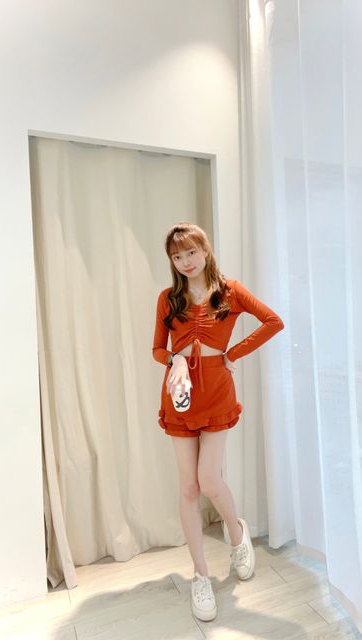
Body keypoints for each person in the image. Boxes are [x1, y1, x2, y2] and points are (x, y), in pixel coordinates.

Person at [152, 221, 284, 621]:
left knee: (210, 480)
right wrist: (174, 359)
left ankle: (237, 535)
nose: (185, 261)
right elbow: (157, 348)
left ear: (205, 250)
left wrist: (232, 354)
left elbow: (273, 322)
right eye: (177, 256)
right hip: (180, 393)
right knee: (189, 486)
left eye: (191, 252)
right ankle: (200, 575)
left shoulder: (230, 291)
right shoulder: (168, 299)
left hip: (217, 391)